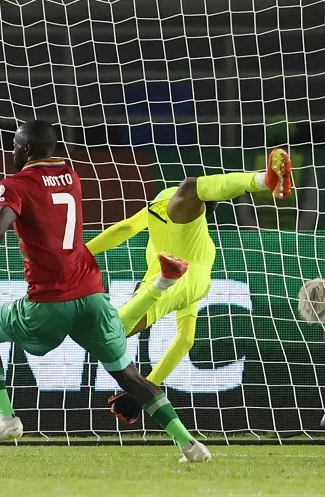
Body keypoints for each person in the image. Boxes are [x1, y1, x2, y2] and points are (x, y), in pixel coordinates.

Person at [0, 119, 211, 462]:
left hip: (50, 301)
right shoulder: (70, 176)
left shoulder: (16, 183)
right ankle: (190, 444)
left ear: (24, 149)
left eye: (13, 147)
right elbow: (42, 215)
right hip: (92, 296)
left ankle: (5, 417)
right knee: (129, 375)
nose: (11, 152)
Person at [85, 149, 293, 424]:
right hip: (195, 284)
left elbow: (121, 229)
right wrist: (148, 385)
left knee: (110, 332)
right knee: (114, 331)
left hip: (172, 279)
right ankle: (260, 181)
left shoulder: (167, 202)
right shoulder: (203, 241)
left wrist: (76, 255)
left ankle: (261, 181)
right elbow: (185, 341)